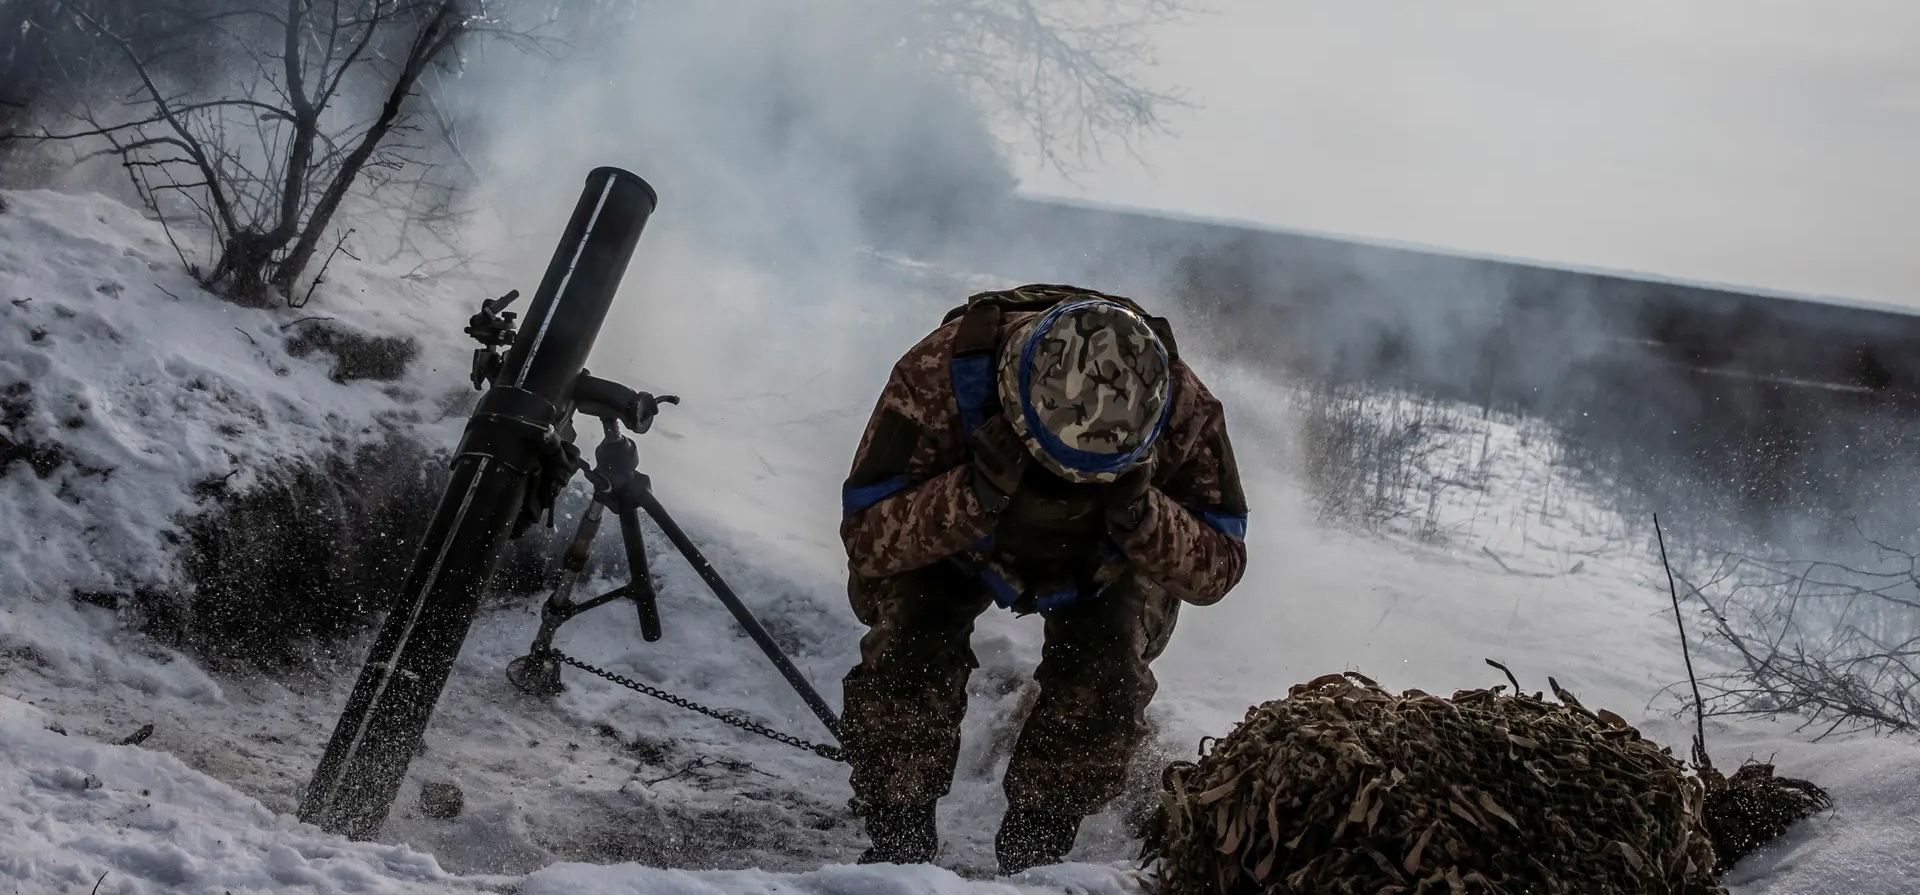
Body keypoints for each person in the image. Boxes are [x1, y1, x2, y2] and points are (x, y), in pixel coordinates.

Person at [838, 283, 1249, 874]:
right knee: (910, 649)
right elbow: (866, 536)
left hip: (1106, 559)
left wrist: (1143, 515)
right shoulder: (938, 375)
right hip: (958, 541)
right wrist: (973, 493)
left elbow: (1220, 565)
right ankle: (898, 846)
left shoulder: (1183, 406)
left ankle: (1036, 857)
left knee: (1107, 677)